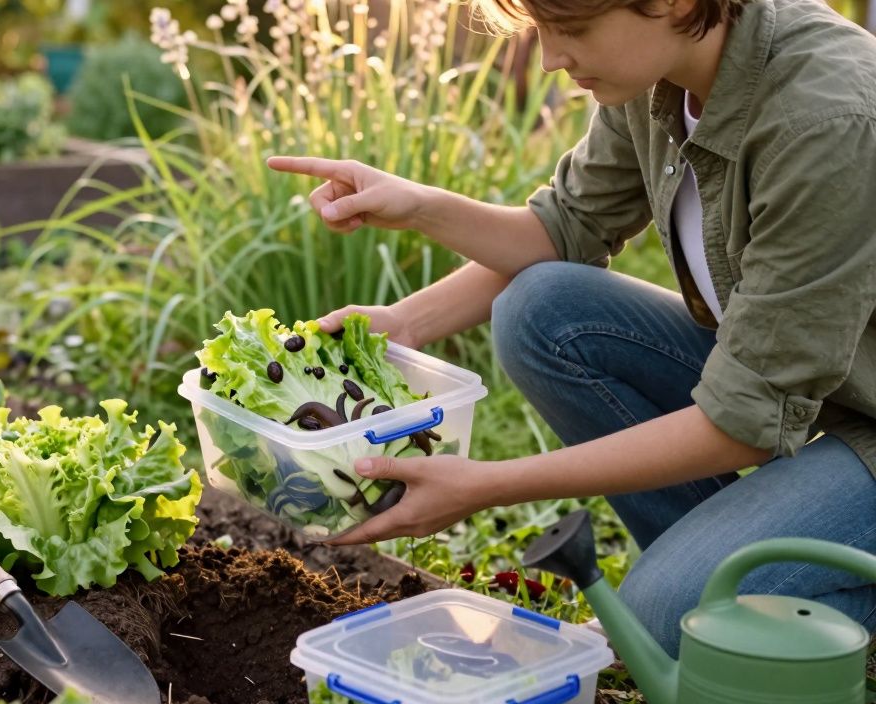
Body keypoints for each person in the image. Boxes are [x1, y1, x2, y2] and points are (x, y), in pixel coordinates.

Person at [267, 0, 876, 656]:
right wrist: (408, 293)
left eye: (574, 31)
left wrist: (486, 483)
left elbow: (747, 417)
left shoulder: (825, 119)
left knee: (661, 613)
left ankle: (732, 590)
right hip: (833, 387)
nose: (553, 59)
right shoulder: (659, 73)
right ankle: (716, 563)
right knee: (542, 311)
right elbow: (565, 229)